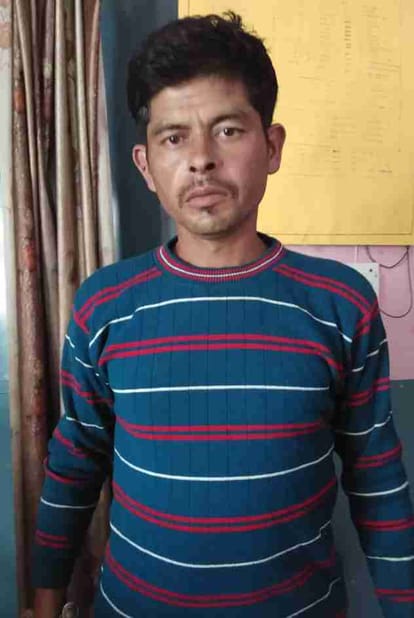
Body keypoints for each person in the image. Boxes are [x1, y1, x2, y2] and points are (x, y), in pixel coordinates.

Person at [33, 12, 414, 617]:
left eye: (228, 130)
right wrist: (44, 597)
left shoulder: (341, 304)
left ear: (272, 146)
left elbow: (377, 477)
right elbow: (74, 461)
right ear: (145, 166)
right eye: (173, 137)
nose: (201, 160)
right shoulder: (104, 305)